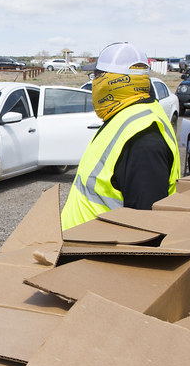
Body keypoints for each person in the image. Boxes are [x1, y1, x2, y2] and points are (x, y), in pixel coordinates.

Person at [60, 42, 180, 230]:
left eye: (96, 76)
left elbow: (145, 228)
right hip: (79, 247)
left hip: (97, 255)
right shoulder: (125, 117)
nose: (93, 83)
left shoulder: (143, 139)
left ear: (113, 81)